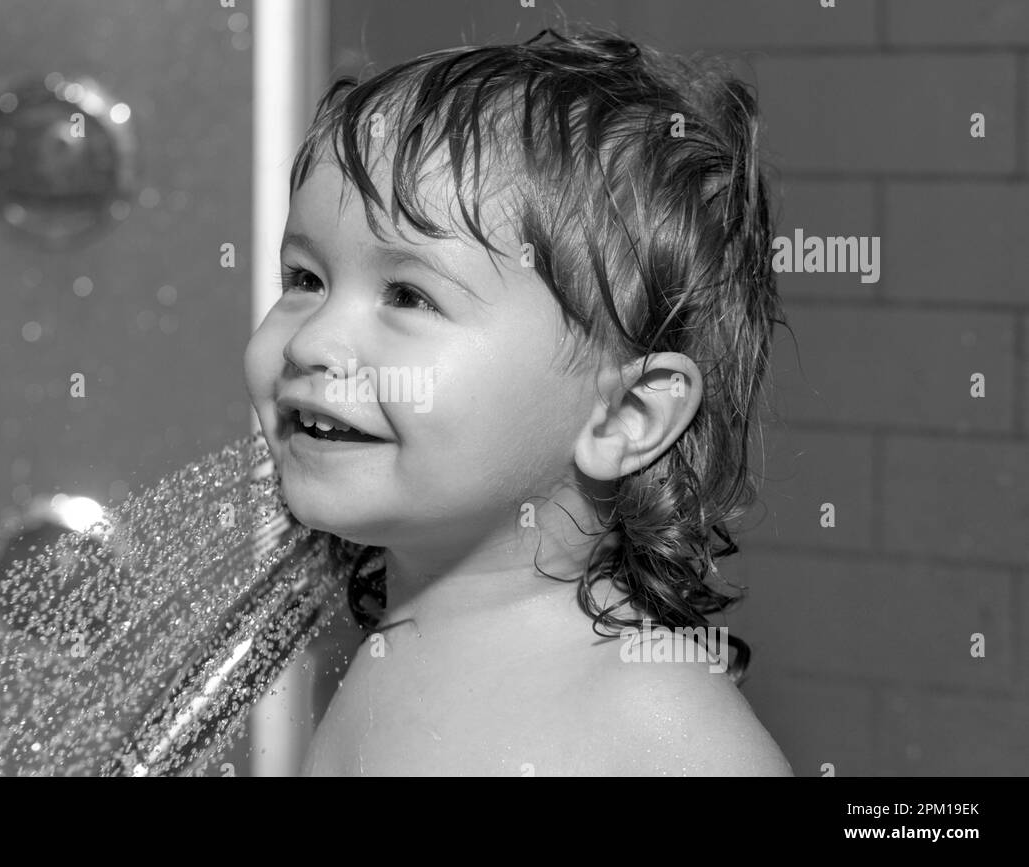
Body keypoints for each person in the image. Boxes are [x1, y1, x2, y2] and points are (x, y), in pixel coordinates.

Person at [244, 25, 794, 776]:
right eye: (305, 279)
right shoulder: (391, 645)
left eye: (408, 294)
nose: (311, 343)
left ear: (624, 415)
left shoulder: (655, 725)